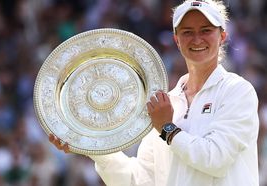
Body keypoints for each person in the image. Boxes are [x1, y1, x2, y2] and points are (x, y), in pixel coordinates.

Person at [49, 0, 260, 185]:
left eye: (206, 30)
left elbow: (216, 159)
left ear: (222, 35)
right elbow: (138, 180)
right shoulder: (164, 104)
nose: (197, 39)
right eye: (187, 32)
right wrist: (89, 143)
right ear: (177, 40)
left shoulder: (238, 92)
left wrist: (167, 129)